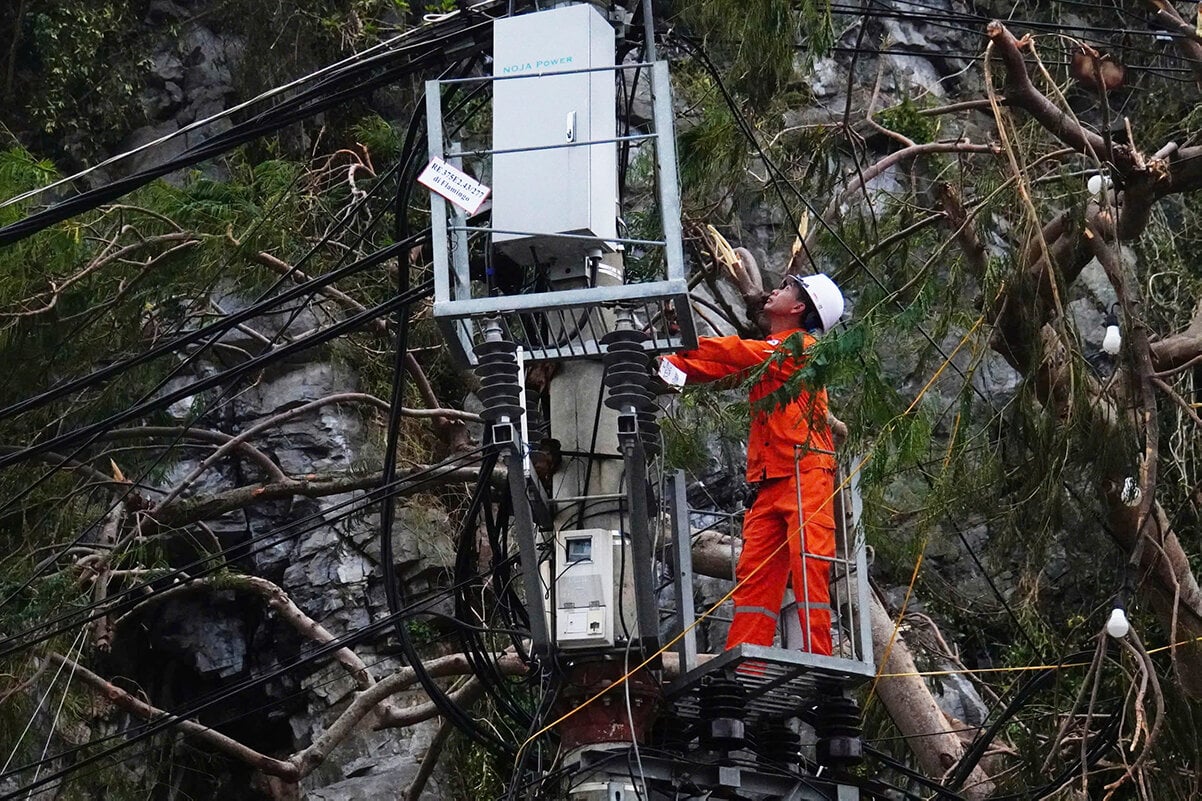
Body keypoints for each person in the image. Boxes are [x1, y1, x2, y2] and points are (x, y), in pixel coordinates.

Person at [659, 271, 845, 655]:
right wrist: (670, 361)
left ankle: (821, 664)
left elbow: (735, 354)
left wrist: (682, 347)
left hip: (805, 473)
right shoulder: (772, 353)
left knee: (809, 567)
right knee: (755, 579)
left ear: (798, 307)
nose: (776, 289)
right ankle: (746, 668)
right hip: (771, 481)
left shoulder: (802, 348)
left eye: (788, 288)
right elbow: (721, 366)